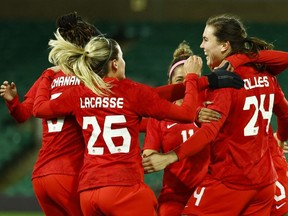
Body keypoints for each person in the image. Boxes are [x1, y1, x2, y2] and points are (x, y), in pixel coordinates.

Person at [31, 23, 246, 215]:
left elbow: (39, 108)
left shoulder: (80, 94)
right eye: (123, 58)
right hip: (123, 189)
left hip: (89, 193)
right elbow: (185, 112)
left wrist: (47, 75)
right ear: (115, 64)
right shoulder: (131, 92)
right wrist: (192, 78)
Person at [142, 13, 288, 216]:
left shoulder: (225, 81)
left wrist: (169, 157)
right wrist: (281, 137)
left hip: (230, 181)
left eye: (206, 40)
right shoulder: (266, 75)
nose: (201, 46)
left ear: (224, 45)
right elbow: (285, 113)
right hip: (264, 184)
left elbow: (209, 132)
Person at [0, 12, 101, 216]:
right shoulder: (89, 80)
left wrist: (12, 102)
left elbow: (22, 115)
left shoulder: (48, 77)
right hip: (70, 173)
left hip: (41, 177)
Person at [142, 41, 220, 216]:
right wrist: (150, 158)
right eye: (179, 80)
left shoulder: (210, 108)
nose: (186, 86)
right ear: (169, 83)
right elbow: (149, 156)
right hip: (174, 196)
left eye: (191, 79)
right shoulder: (159, 117)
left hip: (208, 190)